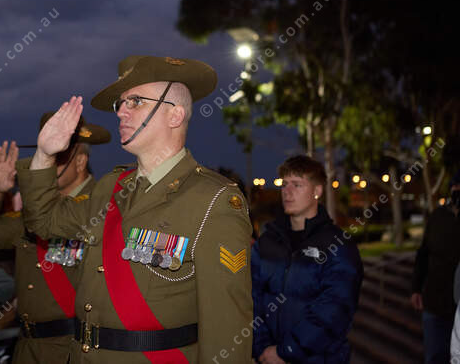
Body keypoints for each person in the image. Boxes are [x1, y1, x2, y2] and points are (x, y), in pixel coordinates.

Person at [18, 55, 253, 363]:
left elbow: (226, 326)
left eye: (136, 102)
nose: (120, 112)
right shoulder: (110, 187)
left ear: (175, 115)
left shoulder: (214, 200)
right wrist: (44, 155)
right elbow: (43, 221)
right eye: (121, 103)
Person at [0, 113, 111, 364]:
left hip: (74, 348)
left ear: (80, 161)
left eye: (57, 156)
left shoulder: (101, 208)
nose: (47, 162)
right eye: (45, 154)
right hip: (27, 347)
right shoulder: (33, 214)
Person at [251, 155, 363, 364]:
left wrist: (286, 351)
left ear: (317, 191)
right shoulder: (266, 242)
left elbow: (335, 310)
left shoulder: (338, 245)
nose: (287, 191)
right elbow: (251, 298)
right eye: (284, 184)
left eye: (297, 184)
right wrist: (261, 348)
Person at [411, 169, 460, 364]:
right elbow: (423, 254)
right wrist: (416, 288)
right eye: (455, 188)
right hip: (435, 304)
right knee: (435, 356)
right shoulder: (438, 216)